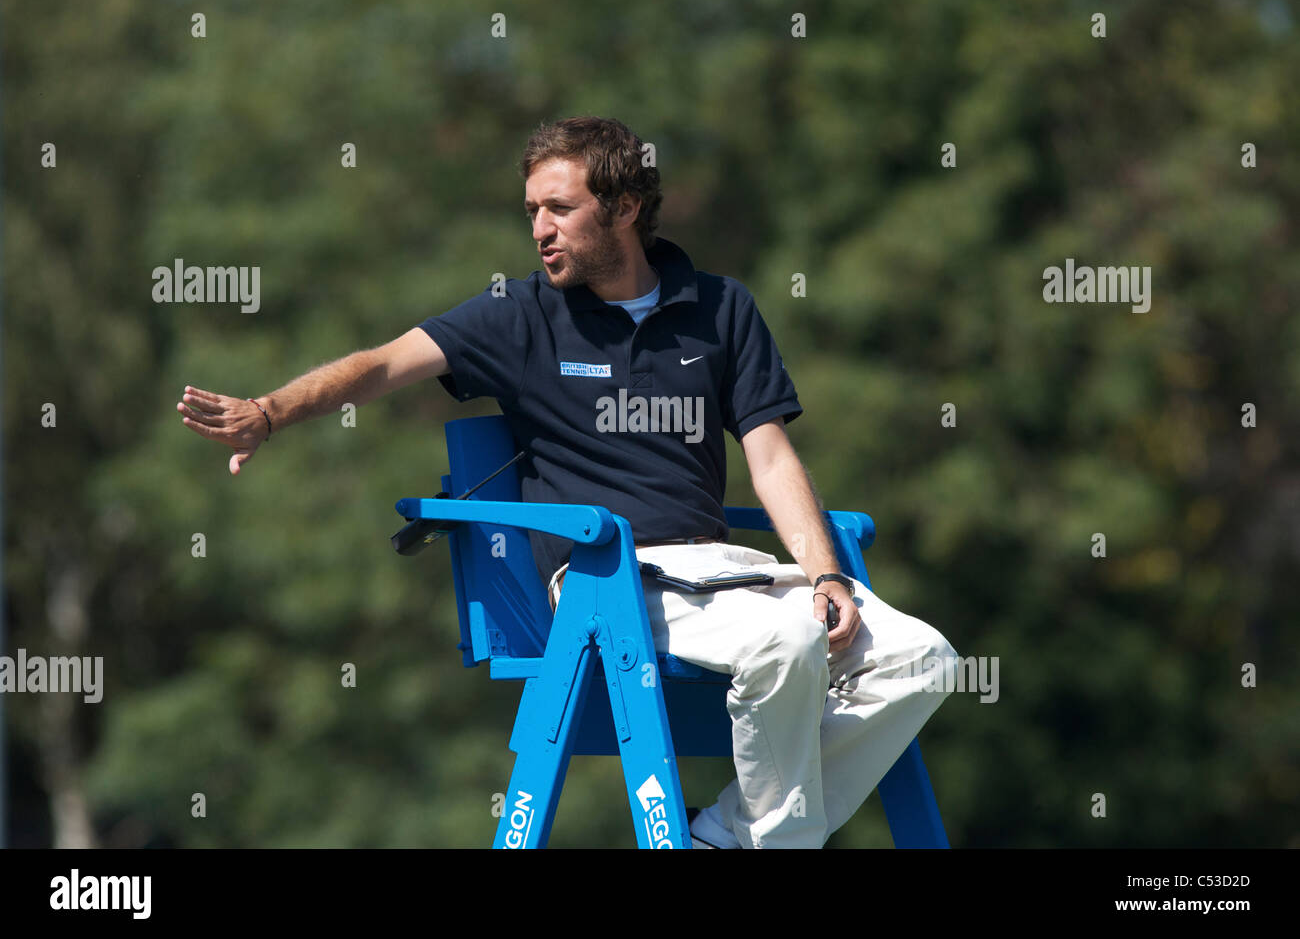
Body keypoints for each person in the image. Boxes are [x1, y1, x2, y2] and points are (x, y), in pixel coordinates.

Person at [177, 115, 959, 849]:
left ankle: (732, 835)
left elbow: (773, 457)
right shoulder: (518, 316)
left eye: (559, 207)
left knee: (924, 656)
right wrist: (269, 411)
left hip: (728, 579)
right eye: (531, 211)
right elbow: (380, 364)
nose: (539, 230)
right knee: (788, 641)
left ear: (624, 207)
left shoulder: (720, 309)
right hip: (605, 585)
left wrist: (828, 575)